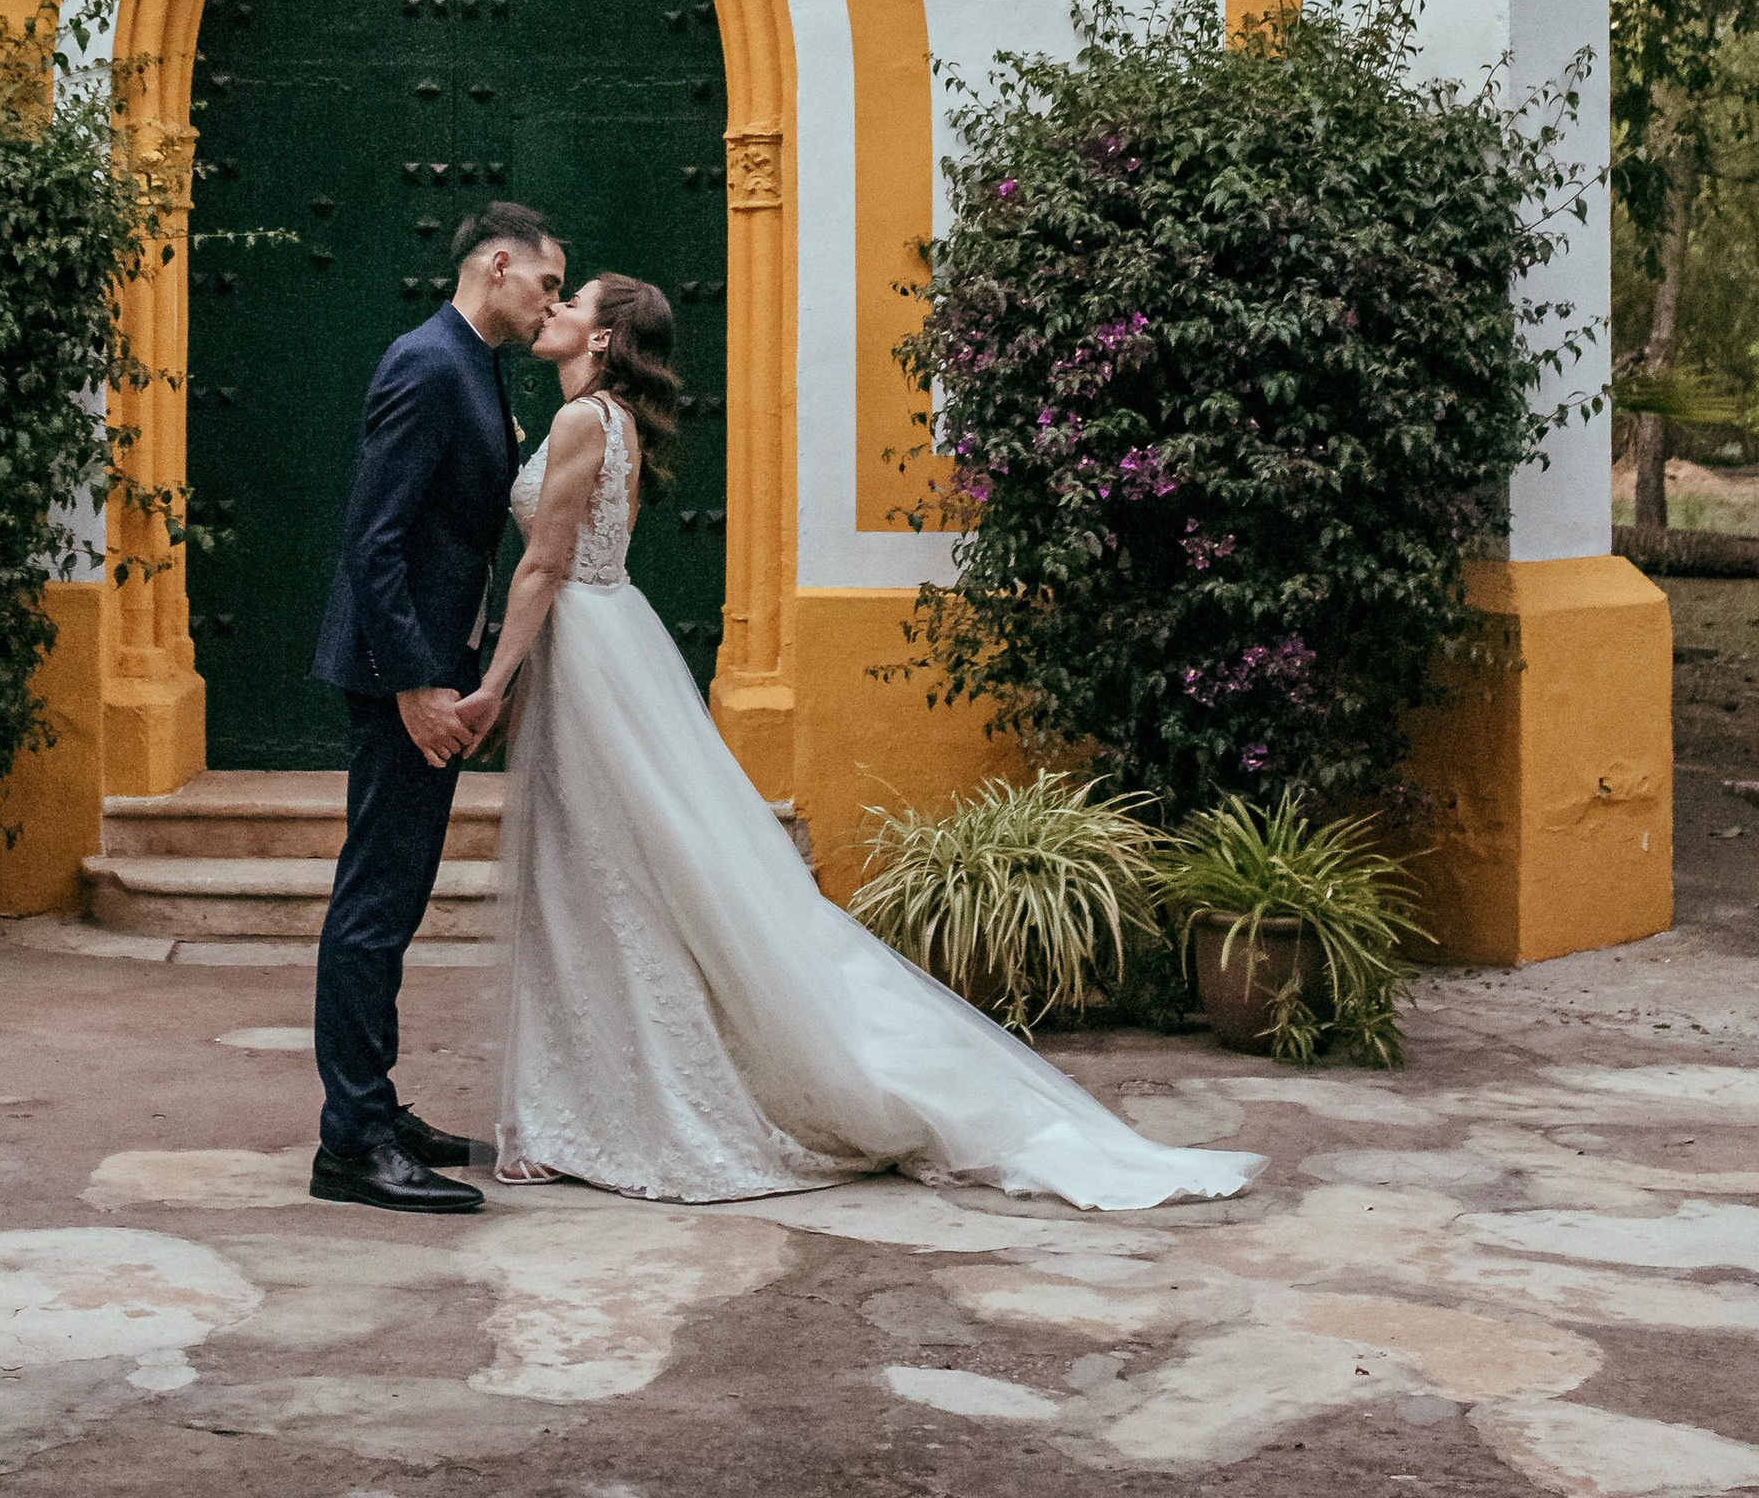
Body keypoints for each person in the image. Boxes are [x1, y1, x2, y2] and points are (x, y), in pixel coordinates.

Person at [460, 272, 1265, 1214]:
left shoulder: (579, 424)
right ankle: (582, 1104)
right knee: (620, 874)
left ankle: (602, 1109)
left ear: (601, 340)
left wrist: (490, 683)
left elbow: (549, 564)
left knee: (601, 875)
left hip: (588, 656)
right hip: (609, 646)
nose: (552, 311)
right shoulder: (616, 425)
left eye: (572, 303)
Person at [306, 200, 566, 1214]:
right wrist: (417, 683)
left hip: (428, 667)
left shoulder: (472, 364)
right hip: (396, 680)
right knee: (373, 906)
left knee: (396, 898)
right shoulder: (426, 361)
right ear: (495, 264)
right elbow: (374, 540)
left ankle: (376, 1108)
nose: (550, 301)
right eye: (545, 281)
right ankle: (352, 1142)